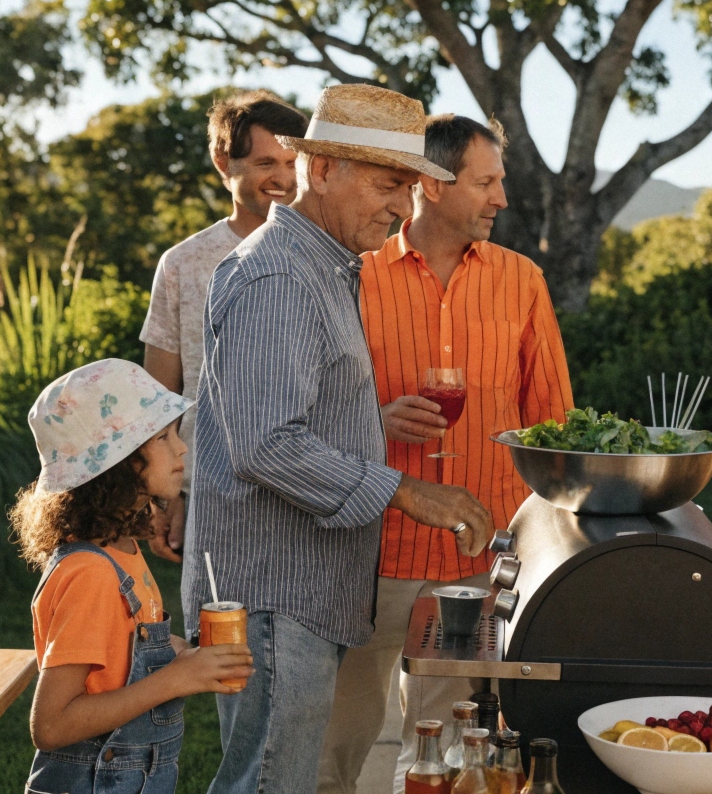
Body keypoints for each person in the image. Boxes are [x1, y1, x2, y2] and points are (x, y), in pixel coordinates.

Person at [181, 83, 496, 793]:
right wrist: (407, 490)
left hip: (299, 591)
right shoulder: (279, 275)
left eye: (411, 188)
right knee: (267, 784)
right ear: (320, 171)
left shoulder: (324, 266)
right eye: (389, 184)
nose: (402, 206)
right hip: (273, 595)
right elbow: (265, 444)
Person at [317, 115, 574, 794]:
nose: (502, 198)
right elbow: (309, 414)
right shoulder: (354, 276)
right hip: (369, 545)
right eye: (486, 181)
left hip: (476, 554)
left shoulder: (522, 281)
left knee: (448, 746)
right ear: (433, 182)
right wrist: (374, 421)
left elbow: (551, 422)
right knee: (338, 741)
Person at [9, 359, 254, 794]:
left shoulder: (122, 551)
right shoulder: (90, 574)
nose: (182, 449)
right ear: (117, 461)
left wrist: (179, 654)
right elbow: (50, 725)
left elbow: (119, 652)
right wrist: (174, 680)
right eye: (163, 437)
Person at [140, 89, 309, 563]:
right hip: (209, 498)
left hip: (311, 496)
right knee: (215, 633)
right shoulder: (183, 263)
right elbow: (159, 398)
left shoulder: (333, 258)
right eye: (265, 163)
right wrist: (165, 496)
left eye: (294, 162)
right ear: (223, 161)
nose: (283, 178)